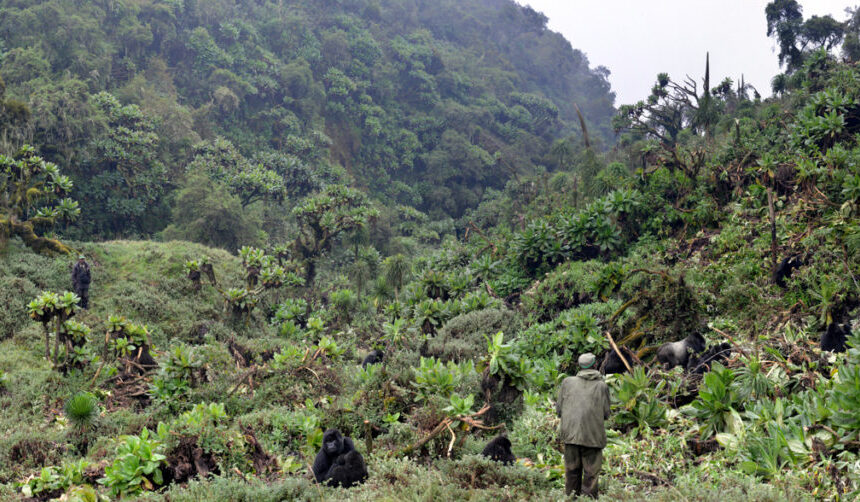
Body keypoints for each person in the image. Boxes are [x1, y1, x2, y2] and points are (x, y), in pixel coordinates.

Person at [556, 352, 611, 498]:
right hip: (592, 437)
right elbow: (606, 414)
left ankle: (571, 498)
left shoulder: (567, 382)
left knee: (571, 472)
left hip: (571, 436)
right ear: (595, 365)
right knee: (591, 475)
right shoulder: (602, 386)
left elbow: (559, 410)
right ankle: (588, 500)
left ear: (579, 366)